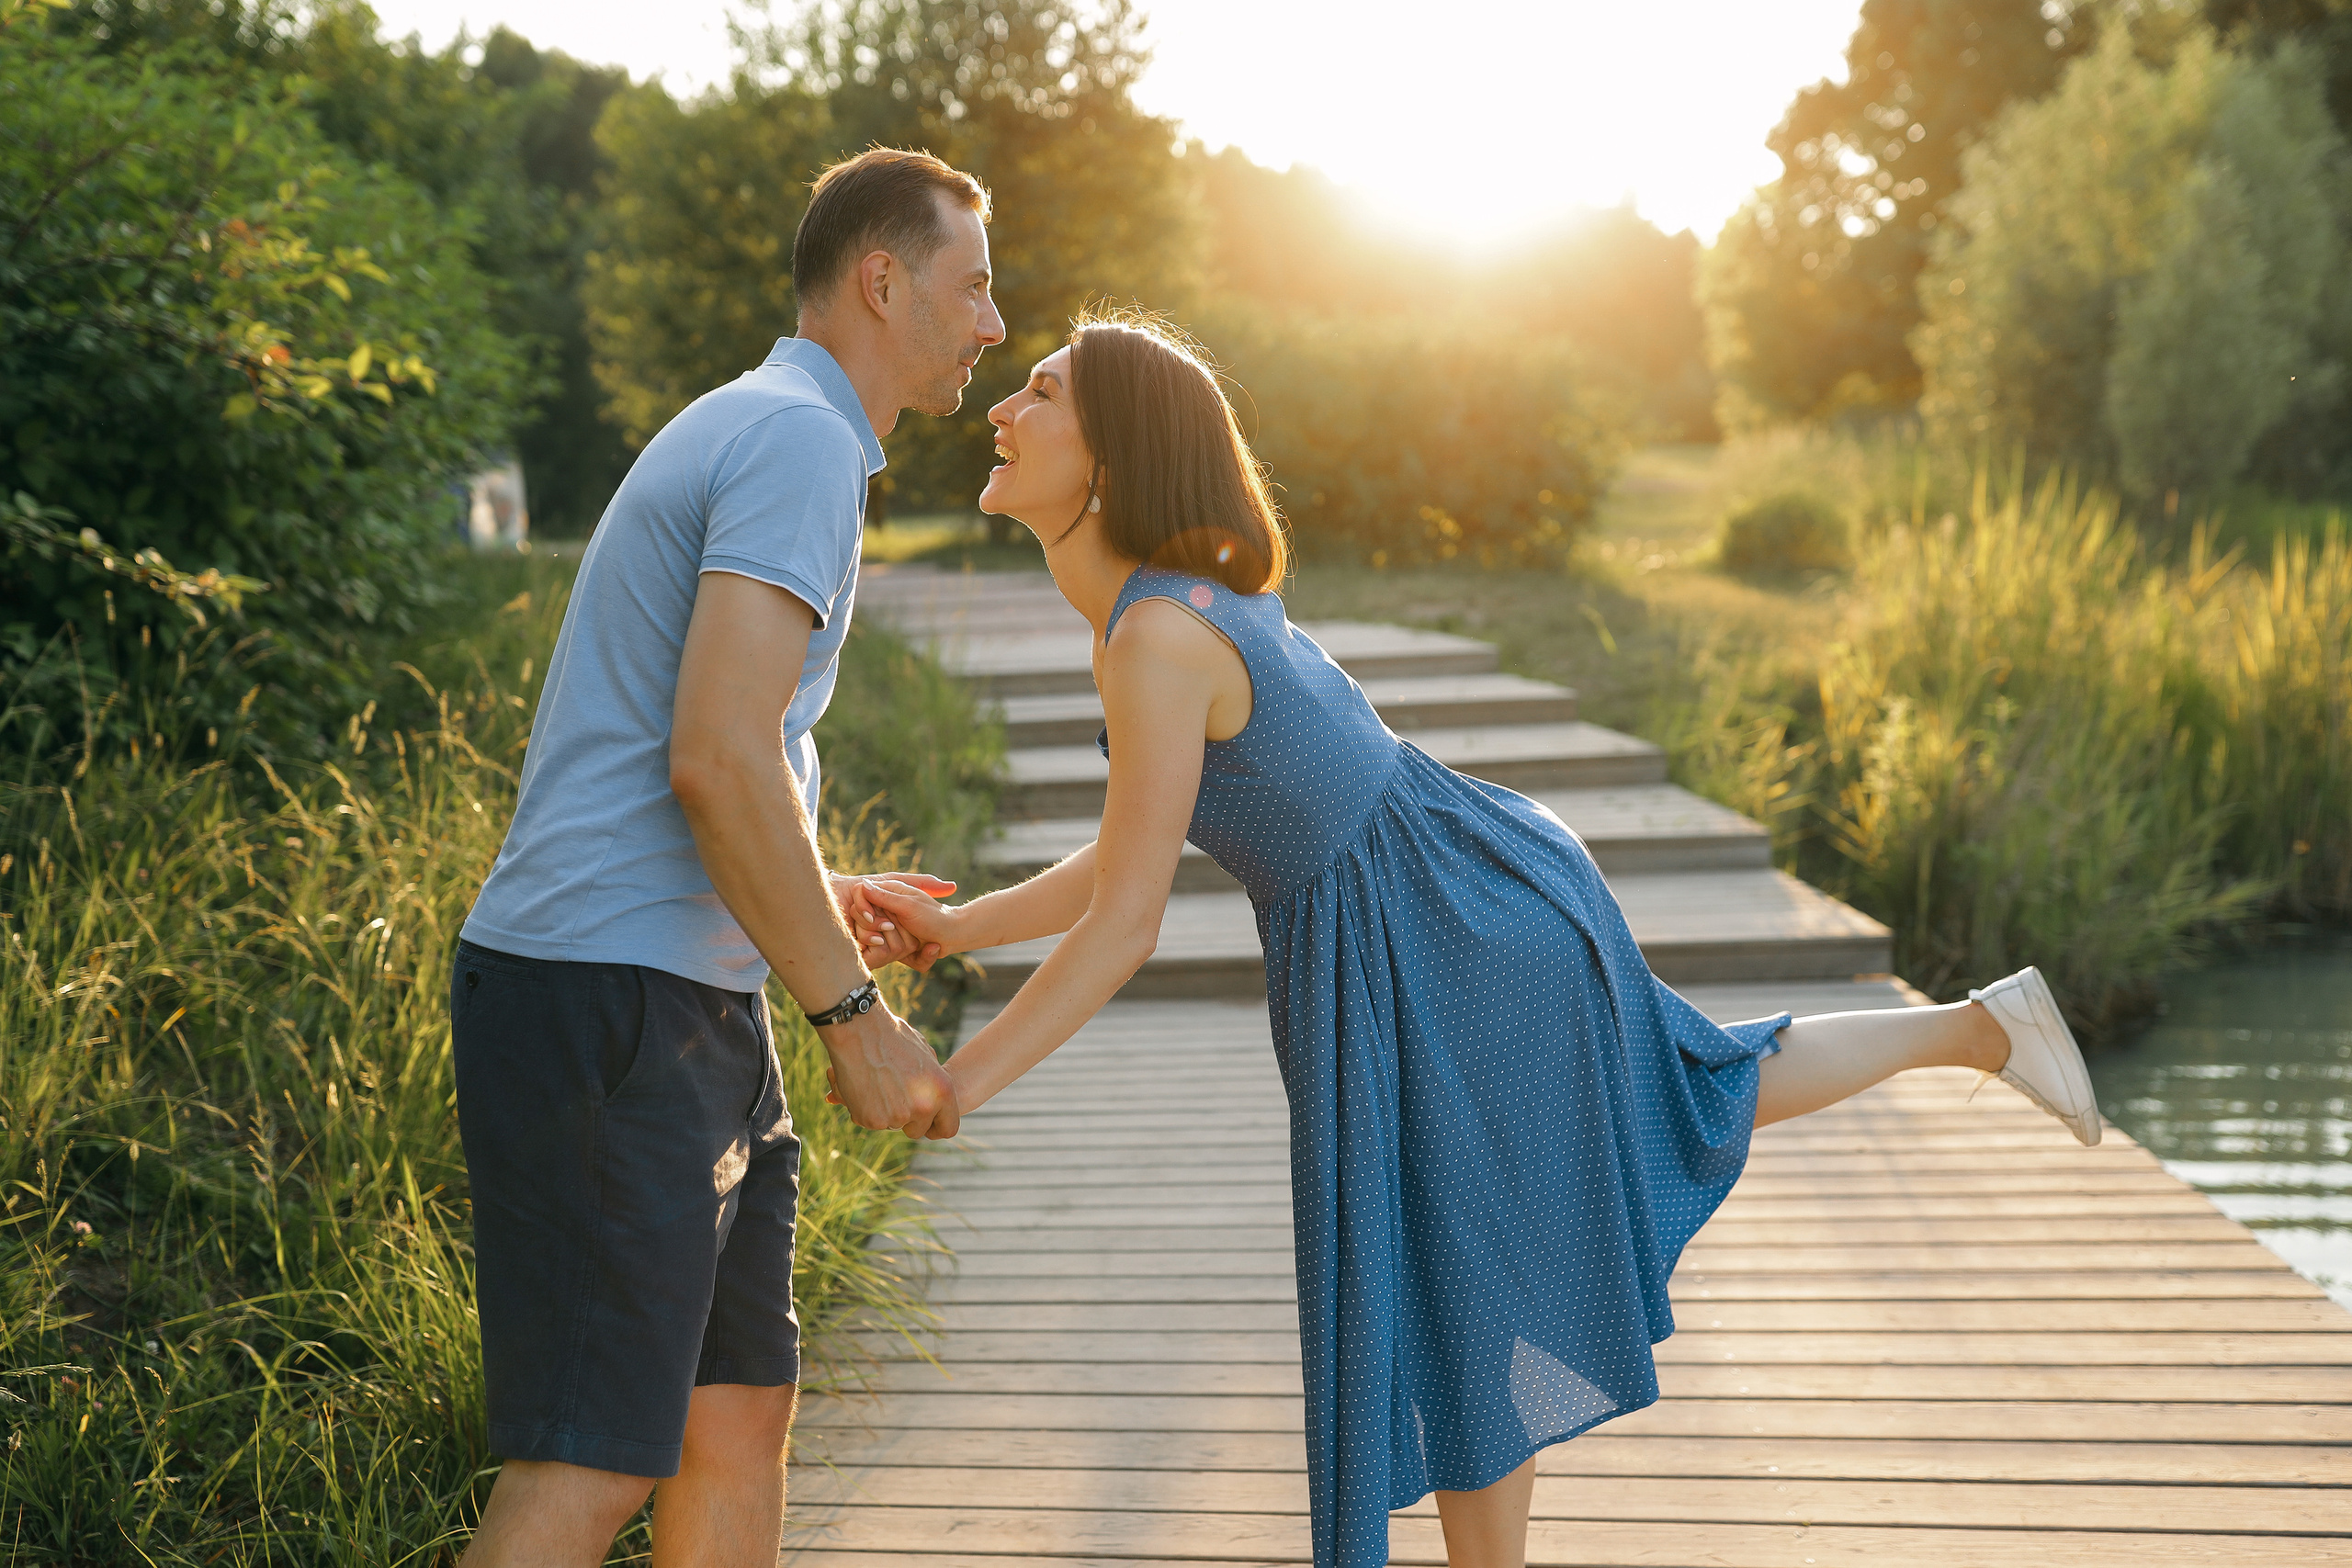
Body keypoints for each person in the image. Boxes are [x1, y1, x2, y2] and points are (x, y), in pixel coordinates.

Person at [855, 310, 2106, 1568]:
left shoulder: (1157, 634)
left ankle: (1982, 1028)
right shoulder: (1166, 611)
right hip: (1449, 895)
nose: (1005, 412)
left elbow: (1127, 920)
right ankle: (1980, 1026)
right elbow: (1139, 849)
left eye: (1044, 395)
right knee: (1526, 1222)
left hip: (1443, 927)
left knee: (1527, 1220)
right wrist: (956, 931)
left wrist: (962, 1084)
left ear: (1114, 456)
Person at [447, 147, 1003, 1568]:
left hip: (686, 1003)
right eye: (975, 285)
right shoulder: (799, 440)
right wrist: (853, 1018)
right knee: (591, 1461)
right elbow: (716, 754)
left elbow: (724, 750)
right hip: (602, 1003)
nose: (996, 324)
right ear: (883, 282)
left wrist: (816, 899)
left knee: (736, 1419)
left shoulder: (781, 429)